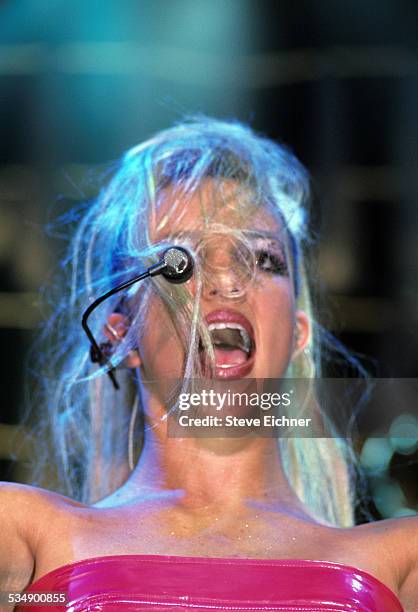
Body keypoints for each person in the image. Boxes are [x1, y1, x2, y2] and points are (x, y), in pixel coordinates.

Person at [0, 117, 416, 610]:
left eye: (263, 259)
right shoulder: (22, 532)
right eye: (181, 261)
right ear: (119, 333)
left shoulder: (400, 559)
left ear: (298, 333)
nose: (227, 283)